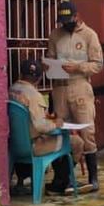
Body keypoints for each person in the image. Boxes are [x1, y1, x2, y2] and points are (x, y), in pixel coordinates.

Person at [46, 1, 103, 192]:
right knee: (61, 134)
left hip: (80, 86)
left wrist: (78, 67)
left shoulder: (89, 35)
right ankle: (65, 179)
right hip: (60, 87)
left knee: (87, 132)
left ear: (76, 16)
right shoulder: (55, 35)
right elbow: (50, 57)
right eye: (62, 21)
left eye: (68, 19)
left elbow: (97, 64)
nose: (65, 24)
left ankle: (93, 179)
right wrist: (50, 65)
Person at [10, 58, 82, 195]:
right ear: (38, 79)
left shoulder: (12, 89)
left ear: (21, 74)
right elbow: (40, 126)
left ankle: (22, 180)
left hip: (14, 145)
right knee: (76, 142)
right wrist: (56, 123)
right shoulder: (34, 96)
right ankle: (60, 182)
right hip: (33, 146)